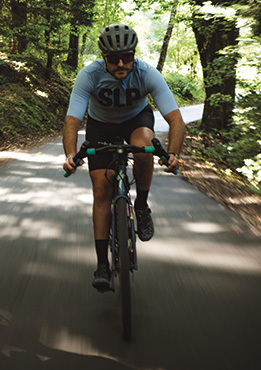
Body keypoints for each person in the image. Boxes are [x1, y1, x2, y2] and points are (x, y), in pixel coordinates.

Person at [61, 23, 186, 292]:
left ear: (134, 55)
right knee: (101, 191)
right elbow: (72, 121)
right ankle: (102, 264)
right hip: (100, 125)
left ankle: (141, 205)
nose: (121, 63)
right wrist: (70, 154)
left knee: (144, 145)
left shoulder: (147, 74)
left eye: (127, 57)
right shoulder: (89, 75)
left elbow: (175, 119)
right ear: (103, 57)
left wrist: (173, 153)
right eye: (114, 58)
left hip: (135, 120)